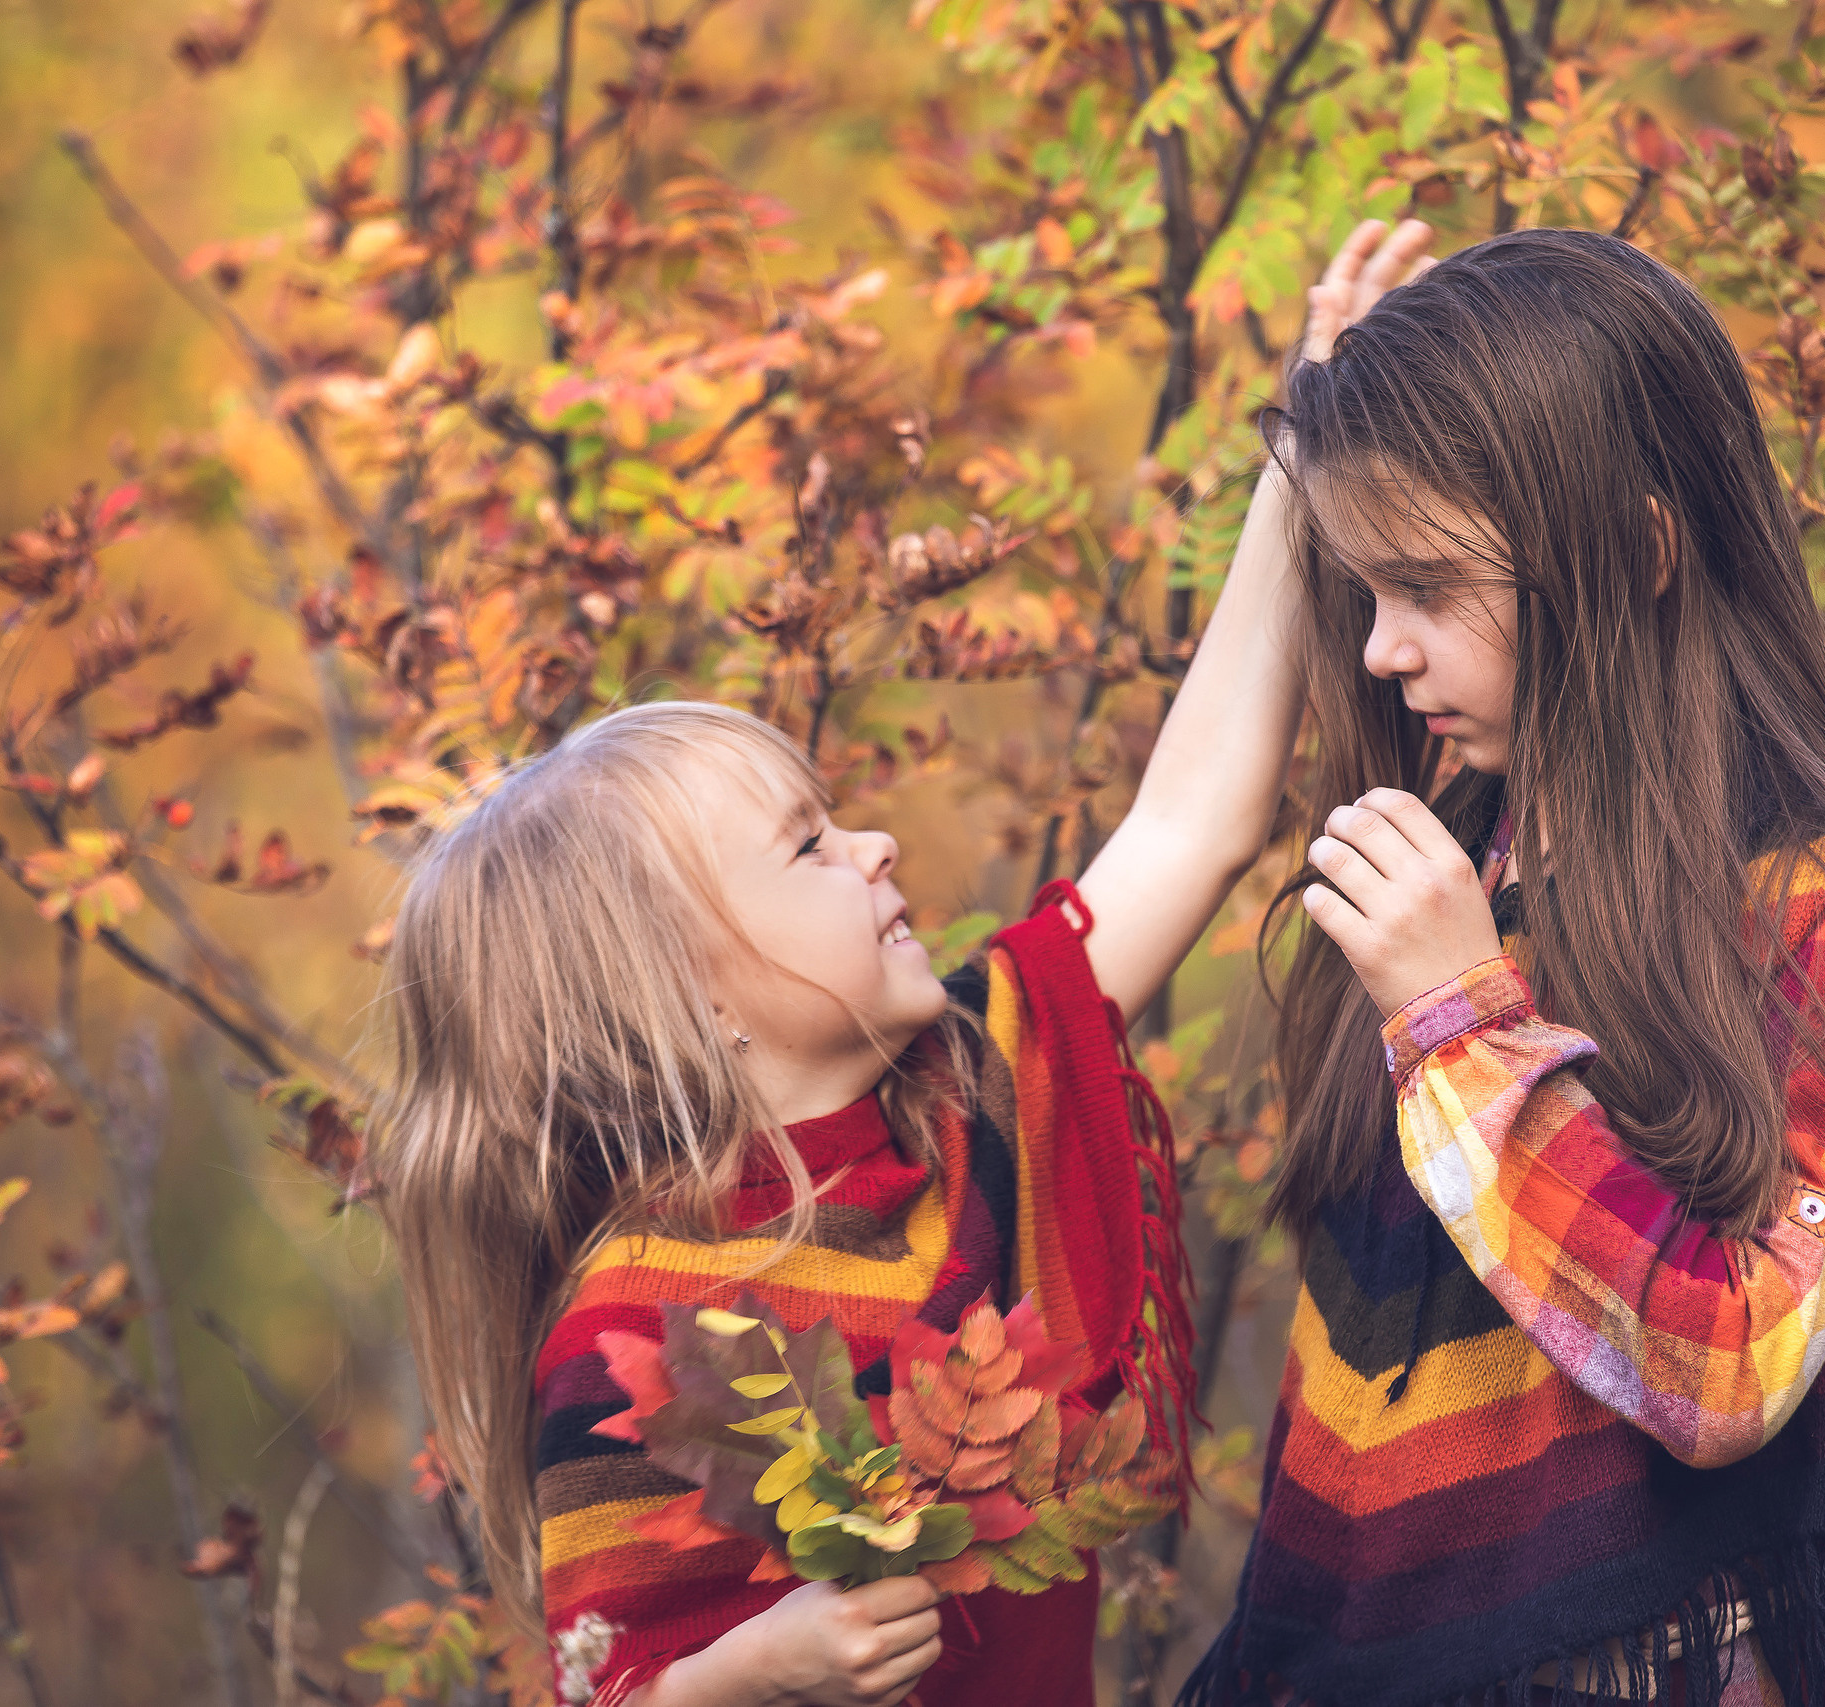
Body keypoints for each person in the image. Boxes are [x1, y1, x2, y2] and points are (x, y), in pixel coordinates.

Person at [368, 223, 1427, 1707]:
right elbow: (609, 1689)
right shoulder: (633, 1330)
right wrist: (751, 1672)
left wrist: (1300, 450)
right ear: (687, 1007)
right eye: (806, 847)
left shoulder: (975, 1091)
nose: (871, 845)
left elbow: (1195, 814)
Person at [1181, 226, 1825, 1706]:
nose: (1385, 652)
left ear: (1643, 551)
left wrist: (1466, 1029)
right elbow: (1197, 800)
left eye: (1425, 586)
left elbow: (1734, 1363)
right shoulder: (1456, 882)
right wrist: (1311, 446)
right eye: (1358, 593)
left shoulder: (1821, 896)